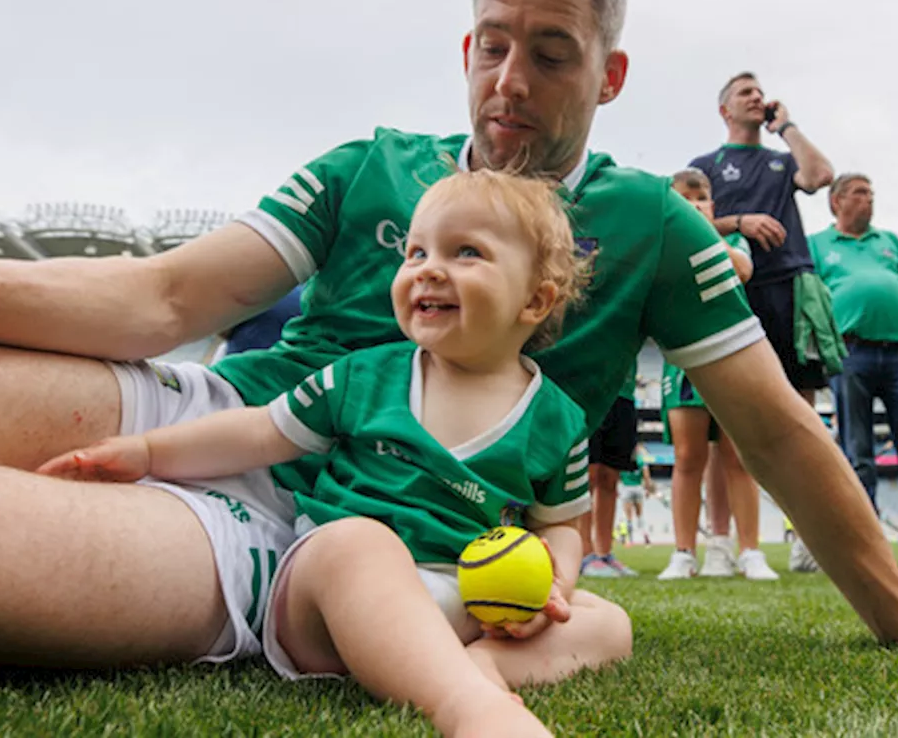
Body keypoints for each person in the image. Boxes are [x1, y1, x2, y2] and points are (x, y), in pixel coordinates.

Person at [0, 0, 898, 687]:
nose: (510, 83)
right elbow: (164, 297)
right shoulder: (369, 166)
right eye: (494, 46)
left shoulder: (654, 223)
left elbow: (771, 427)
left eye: (550, 54)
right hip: (231, 409)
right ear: (464, 45)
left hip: (331, 546)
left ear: (606, 75)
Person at [38, 169, 608, 735]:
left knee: (608, 624)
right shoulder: (362, 377)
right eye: (414, 253)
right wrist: (146, 451)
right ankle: (467, 706)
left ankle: (483, 665)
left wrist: (553, 589)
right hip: (327, 599)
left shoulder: (559, 422)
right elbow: (259, 432)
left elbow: (562, 526)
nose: (428, 269)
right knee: (359, 543)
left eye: (465, 253)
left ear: (534, 300)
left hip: (466, 601)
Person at [688, 74, 842, 574]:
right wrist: (738, 222)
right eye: (745, 93)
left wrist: (788, 127)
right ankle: (721, 543)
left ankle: (808, 537)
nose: (757, 98)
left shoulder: (781, 160)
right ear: (724, 109)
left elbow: (821, 176)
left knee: (801, 414)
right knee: (723, 426)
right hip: (731, 288)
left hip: (788, 285)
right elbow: (681, 218)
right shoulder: (706, 167)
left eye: (760, 93)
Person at [808, 173, 898, 566]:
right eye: (859, 193)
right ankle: (866, 546)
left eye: (871, 193)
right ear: (836, 201)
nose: (869, 200)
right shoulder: (818, 246)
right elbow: (810, 298)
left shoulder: (888, 241)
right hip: (851, 353)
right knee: (857, 454)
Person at [657, 169, 778, 581]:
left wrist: (699, 232)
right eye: (684, 199)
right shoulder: (660, 244)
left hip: (730, 356)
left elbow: (742, 270)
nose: (694, 205)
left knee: (736, 457)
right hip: (682, 360)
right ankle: (684, 552)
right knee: (688, 458)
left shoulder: (731, 242)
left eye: (702, 198)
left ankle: (750, 551)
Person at [579, 367, 642, 577]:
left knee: (610, 477)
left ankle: (604, 553)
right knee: (588, 474)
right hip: (588, 390)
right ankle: (584, 553)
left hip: (622, 394)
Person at [618, 444, 655, 546]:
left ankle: (630, 540)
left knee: (628, 516)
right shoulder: (640, 461)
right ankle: (645, 535)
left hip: (626, 488)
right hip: (638, 488)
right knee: (640, 515)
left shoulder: (623, 460)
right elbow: (646, 476)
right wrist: (648, 489)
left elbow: (618, 475)